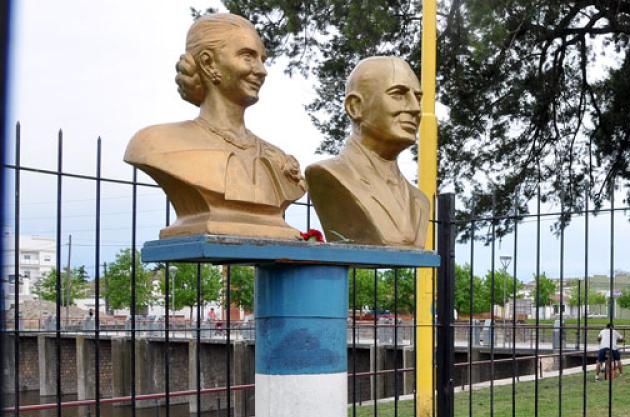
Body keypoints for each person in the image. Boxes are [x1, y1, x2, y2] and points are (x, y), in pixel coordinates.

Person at [125, 13, 306, 240]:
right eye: (248, 56)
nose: (261, 70)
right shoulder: (154, 144)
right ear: (208, 62)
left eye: (262, 59)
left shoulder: (278, 158)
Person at [305, 56, 431, 248]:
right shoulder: (329, 175)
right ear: (355, 107)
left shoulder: (420, 202)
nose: (415, 108)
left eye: (418, 98)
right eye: (398, 94)